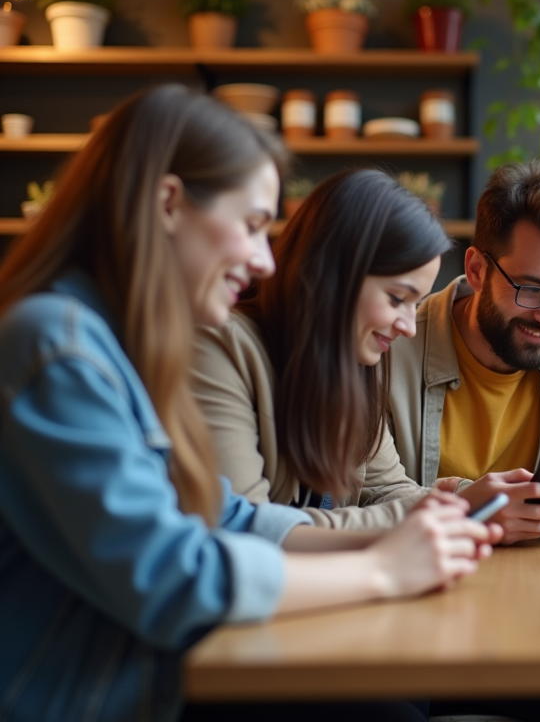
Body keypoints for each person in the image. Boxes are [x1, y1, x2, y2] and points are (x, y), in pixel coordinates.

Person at [0, 84, 495, 722]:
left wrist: (418, 528)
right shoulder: (57, 347)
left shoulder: (107, 347)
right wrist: (381, 572)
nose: (266, 258)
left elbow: (229, 518)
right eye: (253, 225)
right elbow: (172, 578)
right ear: (169, 204)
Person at [193, 168, 449, 528]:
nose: (408, 327)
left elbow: (387, 487)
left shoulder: (353, 355)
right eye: (396, 298)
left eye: (416, 303)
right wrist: (426, 515)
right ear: (332, 275)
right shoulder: (220, 347)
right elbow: (248, 528)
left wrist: (477, 501)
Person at [388, 159, 540, 545]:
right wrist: (467, 504)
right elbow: (365, 493)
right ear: (478, 270)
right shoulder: (387, 351)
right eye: (531, 289)